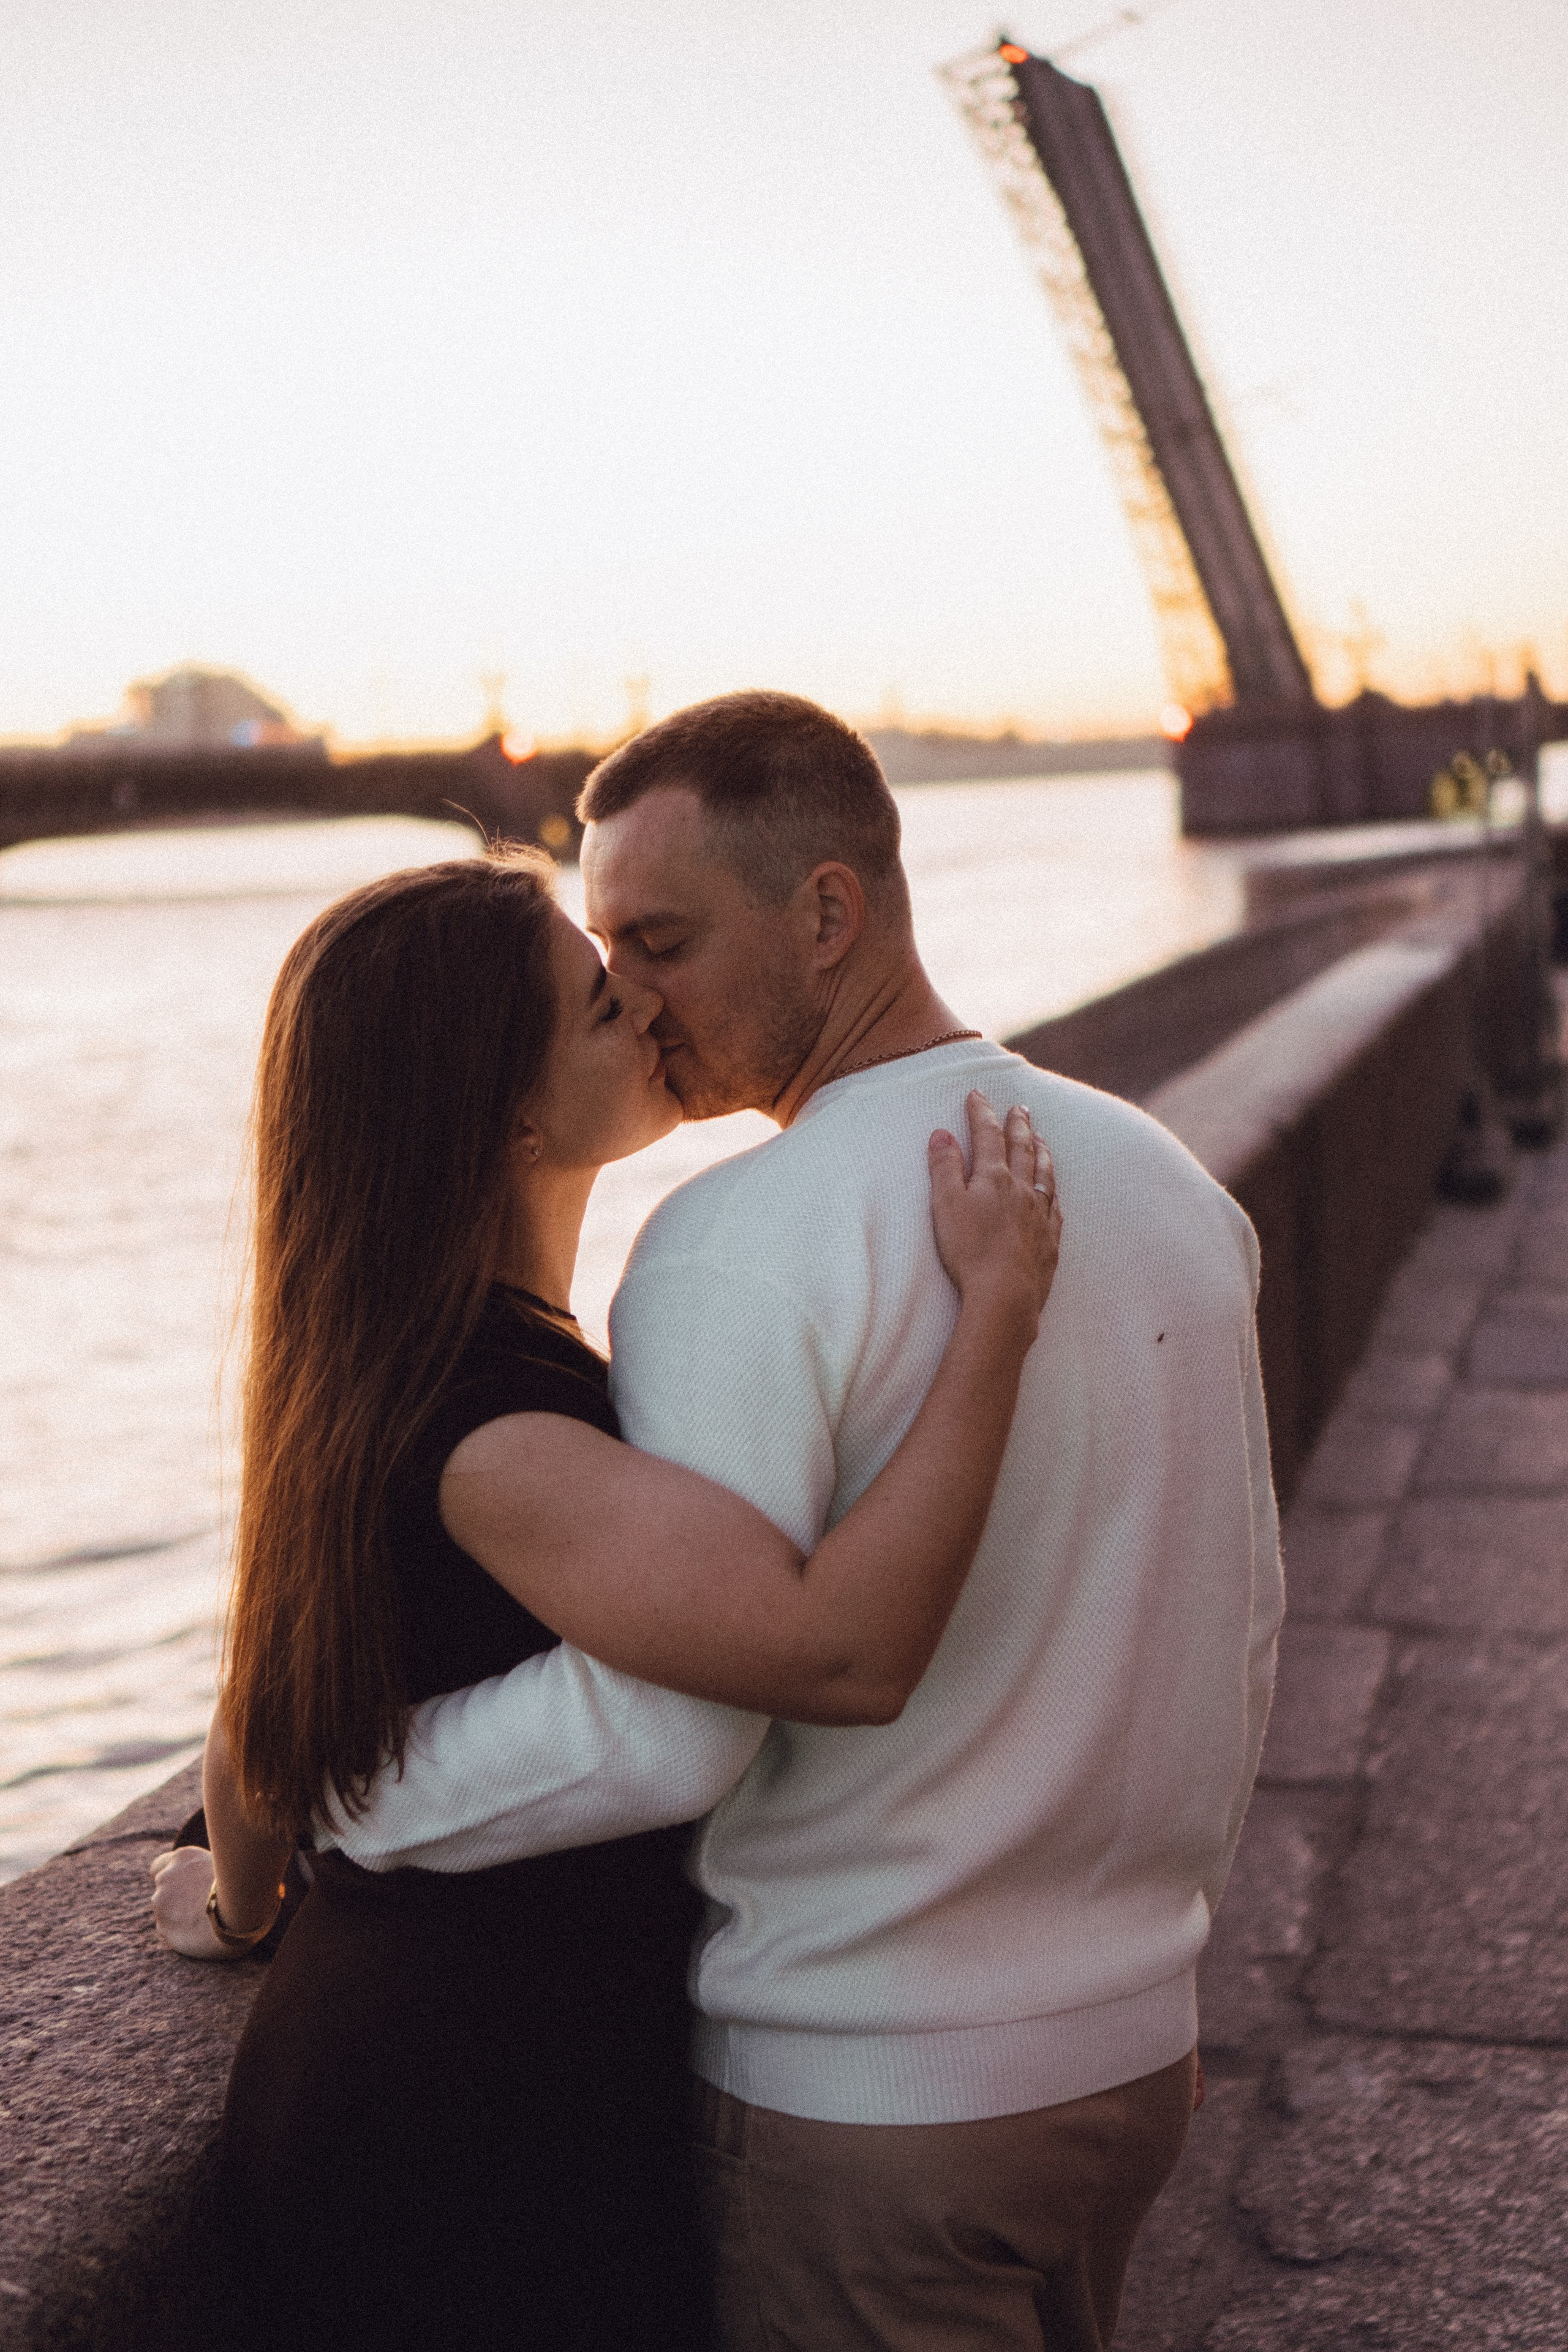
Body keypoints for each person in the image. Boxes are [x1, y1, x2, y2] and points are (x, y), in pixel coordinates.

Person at [321, 691, 1285, 2351]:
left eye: (663, 940)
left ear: (827, 913)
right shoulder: (1169, 1188)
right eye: (607, 952)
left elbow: (668, 1731)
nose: (633, 995)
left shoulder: (732, 1245)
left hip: (869, 2097)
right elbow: (1239, 1617)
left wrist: (341, 1791)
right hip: (1131, 2059)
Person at [149, 845, 1060, 2352]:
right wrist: (995, 1322)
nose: (642, 1001)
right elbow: (841, 1649)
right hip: (465, 2137)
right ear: (504, 1112)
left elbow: (268, 1701)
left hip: (442, 2082)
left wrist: (243, 1907)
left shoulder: (390, 1368)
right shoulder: (499, 1429)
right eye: (595, 1000)